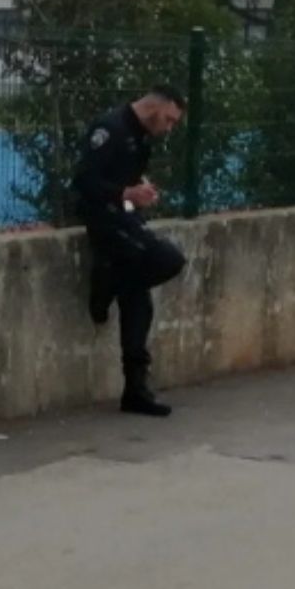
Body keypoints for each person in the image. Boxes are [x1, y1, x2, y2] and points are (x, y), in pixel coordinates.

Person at [73, 84, 190, 417]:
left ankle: (135, 390)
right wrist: (125, 194)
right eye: (168, 119)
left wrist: (141, 192)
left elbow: (129, 179)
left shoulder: (141, 138)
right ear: (156, 107)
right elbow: (84, 182)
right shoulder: (110, 128)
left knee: (137, 298)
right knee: (168, 259)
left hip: (126, 219)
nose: (168, 128)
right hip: (104, 221)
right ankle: (107, 280)